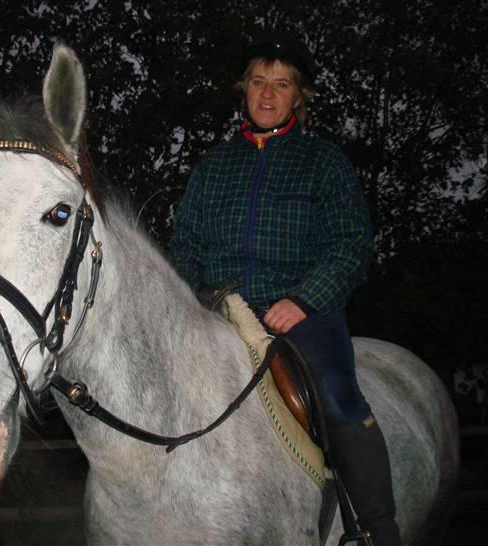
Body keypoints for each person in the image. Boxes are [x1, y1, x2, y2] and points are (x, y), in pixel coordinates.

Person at [170, 30, 400, 546]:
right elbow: (183, 244)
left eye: (281, 84)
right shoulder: (212, 168)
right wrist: (198, 300)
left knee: (338, 401)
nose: (267, 94)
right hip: (217, 310)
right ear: (244, 89)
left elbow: (350, 244)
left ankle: (377, 530)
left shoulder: (324, 163)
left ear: (300, 96)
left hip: (300, 312)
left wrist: (304, 299)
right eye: (257, 82)